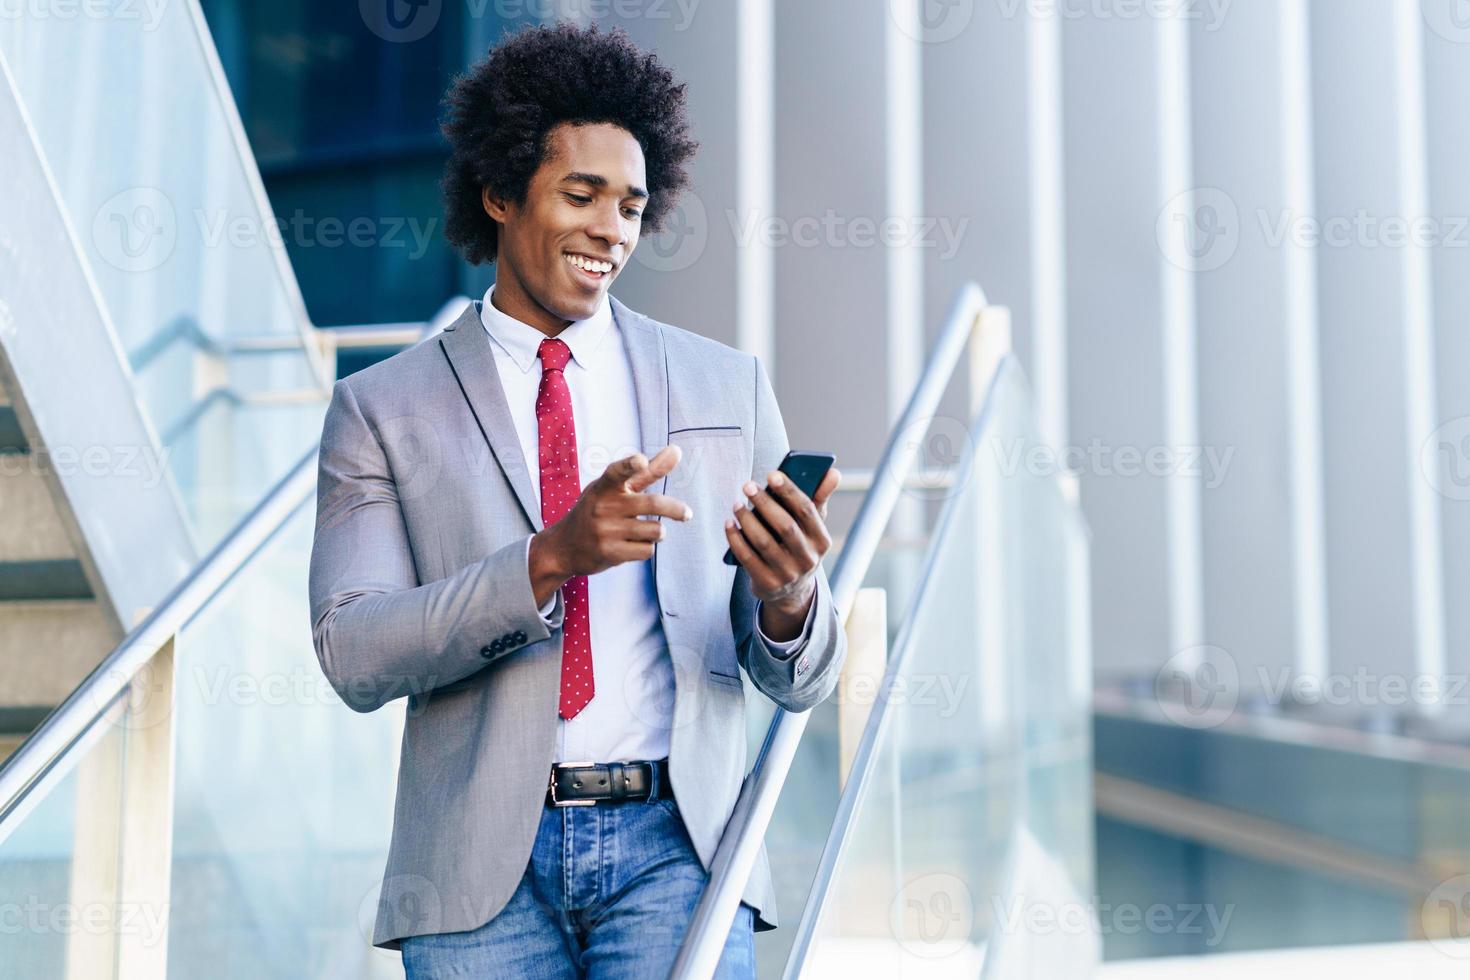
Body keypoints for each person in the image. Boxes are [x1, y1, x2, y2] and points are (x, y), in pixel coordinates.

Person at [308, 20, 846, 979]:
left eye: (632, 205)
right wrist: (546, 560)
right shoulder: (379, 409)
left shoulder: (725, 389)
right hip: (476, 879)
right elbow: (354, 652)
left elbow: (799, 678)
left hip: (681, 852)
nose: (612, 229)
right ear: (501, 194)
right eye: (581, 194)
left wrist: (789, 600)